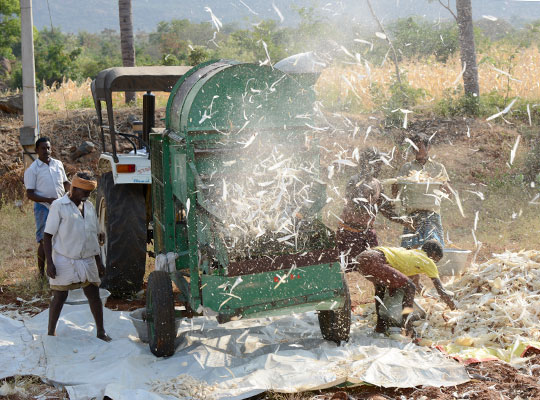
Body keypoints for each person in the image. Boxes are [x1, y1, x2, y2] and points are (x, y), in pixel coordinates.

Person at [43, 171, 111, 342]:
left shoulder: (88, 207)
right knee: (60, 296)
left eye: (89, 193)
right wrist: (49, 263)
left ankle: (101, 332)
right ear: (73, 188)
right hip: (64, 258)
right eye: (84, 192)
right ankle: (51, 332)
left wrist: (99, 262)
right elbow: (47, 236)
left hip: (87, 258)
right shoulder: (59, 206)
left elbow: (93, 237)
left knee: (93, 294)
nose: (87, 196)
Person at [354, 240, 456, 335]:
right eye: (437, 260)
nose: (435, 263)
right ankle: (407, 326)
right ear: (433, 254)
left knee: (381, 288)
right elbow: (441, 291)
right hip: (375, 260)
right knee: (410, 288)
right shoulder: (428, 261)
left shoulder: (413, 255)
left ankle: (380, 325)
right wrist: (454, 308)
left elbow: (417, 284)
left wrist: (427, 296)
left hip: (362, 258)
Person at [337, 148, 412, 262]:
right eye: (377, 165)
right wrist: (380, 205)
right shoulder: (354, 181)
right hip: (349, 232)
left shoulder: (377, 184)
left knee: (377, 264)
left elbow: (385, 209)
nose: (379, 169)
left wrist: (401, 220)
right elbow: (357, 205)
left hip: (367, 233)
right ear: (366, 164)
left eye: (380, 165)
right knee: (345, 266)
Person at [391, 133, 450, 249]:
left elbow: (448, 192)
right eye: (413, 147)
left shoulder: (438, 168)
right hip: (412, 215)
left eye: (419, 146)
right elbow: (395, 192)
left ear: (428, 148)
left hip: (431, 215)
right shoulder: (407, 168)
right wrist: (396, 184)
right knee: (410, 251)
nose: (416, 150)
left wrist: (443, 186)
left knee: (433, 250)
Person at [24, 137, 70, 278]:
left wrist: (72, 192)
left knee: (64, 236)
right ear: (37, 150)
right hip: (43, 207)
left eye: (48, 148)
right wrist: (48, 200)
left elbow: (65, 182)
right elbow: (30, 194)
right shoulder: (32, 170)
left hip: (61, 205)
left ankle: (63, 269)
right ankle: (41, 273)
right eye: (43, 148)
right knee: (45, 240)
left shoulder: (58, 164)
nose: (46, 151)